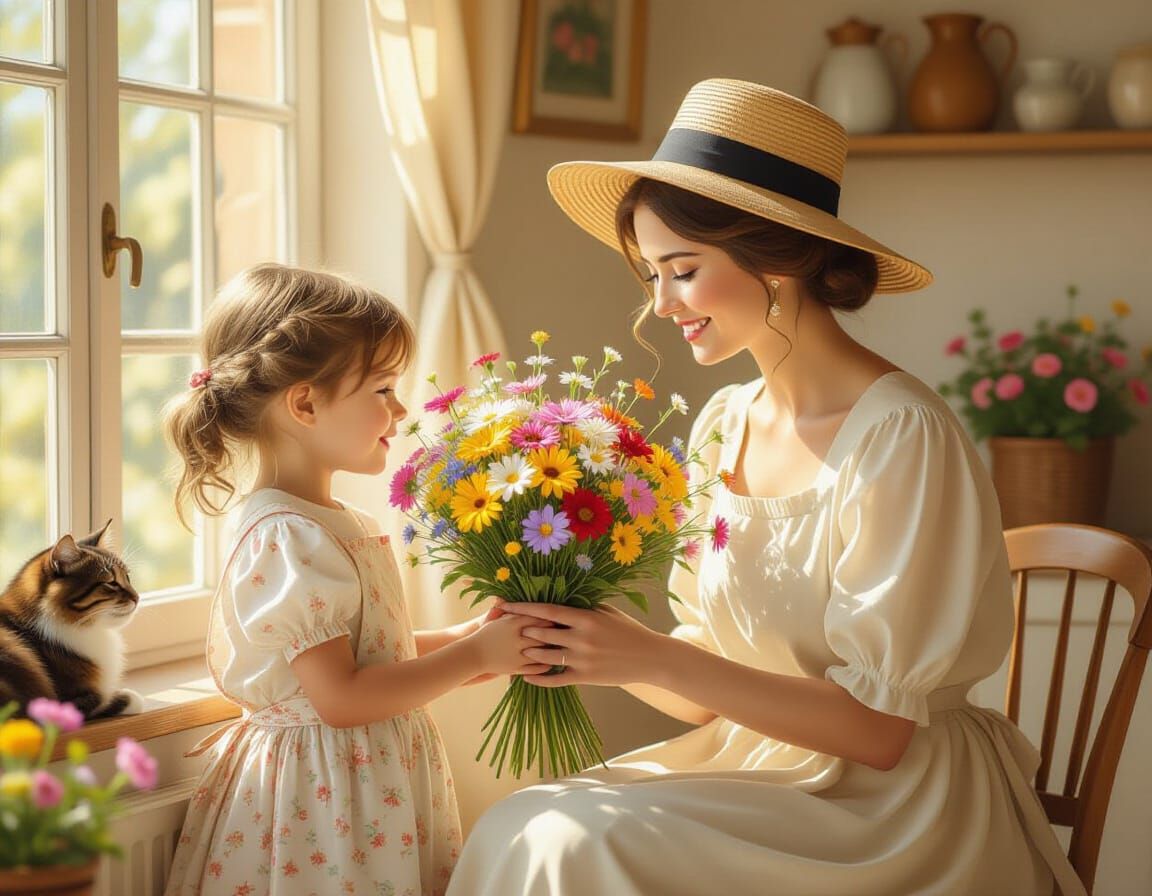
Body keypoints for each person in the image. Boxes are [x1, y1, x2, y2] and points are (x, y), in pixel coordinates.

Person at [448, 81, 1087, 895]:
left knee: (579, 842)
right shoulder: (725, 423)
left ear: (777, 261)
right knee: (524, 821)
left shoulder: (900, 436)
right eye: (650, 275)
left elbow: (881, 733)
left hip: (895, 810)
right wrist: (579, 638)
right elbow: (706, 692)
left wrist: (652, 655)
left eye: (682, 271)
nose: (660, 305)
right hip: (761, 769)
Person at [161, 264, 551, 895]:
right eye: (383, 389)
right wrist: (476, 656)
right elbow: (340, 698)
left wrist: (465, 640)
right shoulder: (286, 537)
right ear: (305, 403)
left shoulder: (337, 522)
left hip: (364, 785)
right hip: (321, 803)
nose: (400, 409)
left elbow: (368, 658)